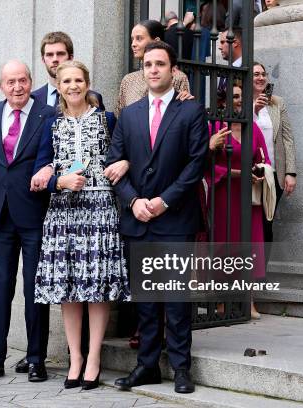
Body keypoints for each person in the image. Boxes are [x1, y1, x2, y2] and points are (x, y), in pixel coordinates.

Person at [108, 41, 208, 394]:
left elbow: (197, 164)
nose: (153, 69)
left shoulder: (191, 112)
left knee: (177, 301)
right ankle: (147, 366)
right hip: (138, 218)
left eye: (160, 64)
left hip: (175, 217)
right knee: (146, 302)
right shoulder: (130, 114)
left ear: (173, 70)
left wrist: (164, 201)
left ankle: (181, 368)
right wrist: (133, 201)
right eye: (148, 64)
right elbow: (114, 163)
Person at [33, 60, 131, 391]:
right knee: (69, 288)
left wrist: (125, 161)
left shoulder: (107, 119)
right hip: (63, 212)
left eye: (78, 80)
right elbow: (40, 168)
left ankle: (93, 358)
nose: (73, 86)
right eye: (67, 81)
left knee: (96, 287)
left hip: (100, 209)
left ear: (87, 83)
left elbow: (124, 154)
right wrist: (58, 180)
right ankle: (75, 357)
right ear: (58, 86)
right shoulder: (50, 122)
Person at [0, 60, 55, 383]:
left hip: (35, 213)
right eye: (10, 82)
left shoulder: (48, 115)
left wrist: (50, 169)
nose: (17, 87)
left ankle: (37, 358)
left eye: (22, 80)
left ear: (31, 81)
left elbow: (57, 155)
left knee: (35, 289)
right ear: (1, 86)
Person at [206, 80, 271, 318]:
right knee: (225, 246)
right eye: (233, 96)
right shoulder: (215, 128)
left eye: (241, 96)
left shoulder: (252, 128)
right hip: (224, 195)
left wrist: (259, 172)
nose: (238, 100)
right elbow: (207, 164)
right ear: (223, 101)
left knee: (251, 245)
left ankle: (249, 301)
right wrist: (236, 173)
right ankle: (223, 302)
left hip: (249, 197)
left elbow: (264, 159)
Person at [252, 61, 296, 263]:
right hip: (249, 173)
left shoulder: (277, 103)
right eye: (255, 74)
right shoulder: (239, 102)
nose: (261, 78)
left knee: (266, 222)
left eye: (263, 74)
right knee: (250, 222)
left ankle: (261, 271)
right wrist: (253, 109)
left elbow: (287, 138)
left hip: (273, 174)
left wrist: (290, 172)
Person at [116, 20, 190, 116]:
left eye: (139, 39)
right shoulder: (128, 80)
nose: (133, 44)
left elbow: (183, 114)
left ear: (156, 41)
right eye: (132, 39)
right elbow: (119, 116)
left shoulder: (177, 77)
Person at [32, 31, 105, 110]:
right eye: (49, 55)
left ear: (70, 58)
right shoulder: (32, 99)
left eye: (60, 54)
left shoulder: (94, 97)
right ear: (43, 59)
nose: (55, 59)